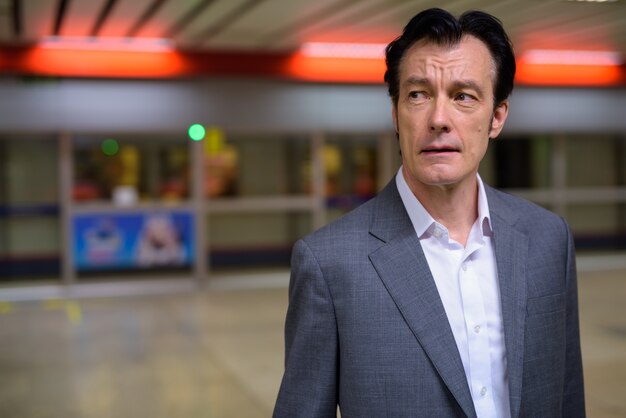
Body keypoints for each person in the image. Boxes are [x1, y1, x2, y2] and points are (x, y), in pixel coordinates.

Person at [273, 8, 585, 418]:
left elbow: (566, 396)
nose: (439, 119)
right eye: (418, 95)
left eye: (463, 96)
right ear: (395, 115)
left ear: (497, 117)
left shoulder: (548, 239)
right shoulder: (329, 264)